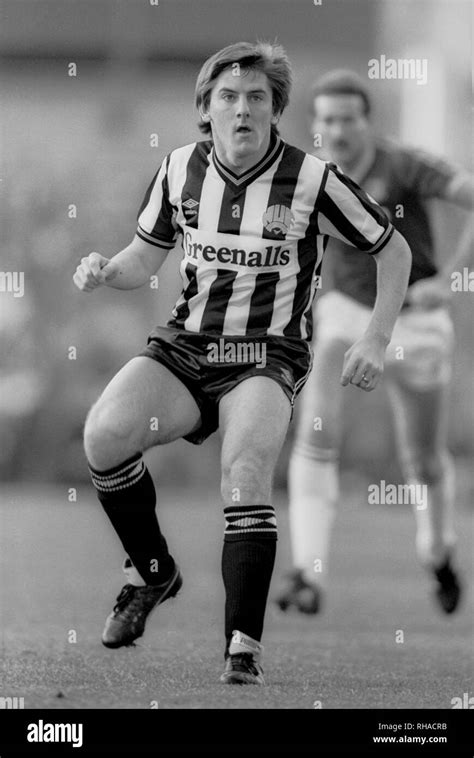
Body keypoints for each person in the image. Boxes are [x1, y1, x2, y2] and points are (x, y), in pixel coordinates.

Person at [73, 44, 411, 685]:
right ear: (206, 109)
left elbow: (391, 250)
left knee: (246, 471)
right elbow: (144, 259)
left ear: (276, 110)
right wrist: (103, 271)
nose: (242, 109)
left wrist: (375, 338)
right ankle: (153, 575)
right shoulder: (177, 169)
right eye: (228, 97)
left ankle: (242, 647)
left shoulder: (313, 180)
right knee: (104, 436)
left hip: (266, 355)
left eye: (258, 97)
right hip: (187, 346)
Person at [276, 70, 473, 617]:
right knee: (318, 415)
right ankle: (307, 572)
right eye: (327, 120)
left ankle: (437, 552)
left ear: (368, 122)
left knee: (425, 459)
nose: (336, 130)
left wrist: (450, 278)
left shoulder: (405, 164)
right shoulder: (308, 177)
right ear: (314, 125)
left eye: (347, 119)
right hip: (346, 313)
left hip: (415, 323)